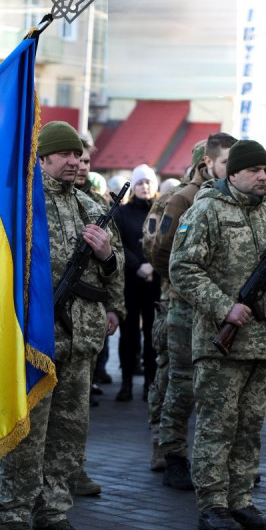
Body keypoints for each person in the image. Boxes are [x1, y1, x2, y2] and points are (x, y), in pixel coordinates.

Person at [0, 121, 123, 530]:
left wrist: (106, 259)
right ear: (43, 159)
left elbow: (114, 269)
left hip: (80, 341)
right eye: (64, 155)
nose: (74, 162)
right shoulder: (22, 208)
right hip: (36, 338)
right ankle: (13, 514)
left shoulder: (91, 207)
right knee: (29, 431)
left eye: (78, 156)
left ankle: (53, 513)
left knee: (70, 432)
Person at [170, 139, 266, 530]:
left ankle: (241, 500)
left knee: (249, 426)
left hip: (262, 342)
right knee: (217, 424)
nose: (262, 176)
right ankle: (213, 503)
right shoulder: (206, 211)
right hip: (222, 342)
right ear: (232, 175)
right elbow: (183, 269)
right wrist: (224, 307)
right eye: (253, 170)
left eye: (265, 170)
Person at [147, 134, 232, 487]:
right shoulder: (182, 199)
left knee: (220, 388)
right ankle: (171, 453)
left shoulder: (236, 200)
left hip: (223, 309)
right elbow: (159, 251)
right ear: (206, 164)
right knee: (178, 381)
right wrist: (188, 283)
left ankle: (216, 460)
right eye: (230, 163)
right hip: (183, 304)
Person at [113, 164, 161, 402]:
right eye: (140, 183)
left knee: (153, 334)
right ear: (134, 186)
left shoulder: (161, 211)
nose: (145, 187)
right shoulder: (122, 213)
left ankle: (150, 384)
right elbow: (118, 243)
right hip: (131, 280)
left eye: (148, 182)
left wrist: (152, 265)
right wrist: (138, 265)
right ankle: (127, 383)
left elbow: (166, 242)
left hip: (155, 281)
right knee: (129, 334)